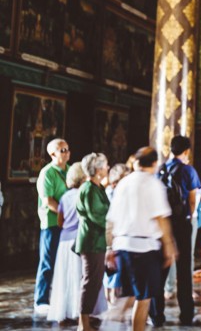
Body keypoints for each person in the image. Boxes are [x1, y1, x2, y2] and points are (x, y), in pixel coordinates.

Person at [106, 147, 176, 331]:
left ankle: (113, 318)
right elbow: (160, 218)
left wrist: (109, 248)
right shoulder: (153, 184)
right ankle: (117, 323)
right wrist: (168, 246)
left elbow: (111, 221)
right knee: (143, 298)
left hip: (123, 244)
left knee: (128, 294)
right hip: (144, 247)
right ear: (154, 163)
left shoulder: (123, 183)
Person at [152, 135, 201, 326]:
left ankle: (157, 314)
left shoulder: (161, 169)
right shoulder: (188, 170)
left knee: (161, 266)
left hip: (164, 222)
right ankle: (186, 314)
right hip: (182, 223)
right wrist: (188, 217)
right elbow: (192, 199)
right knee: (184, 269)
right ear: (187, 151)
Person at [46, 162, 86, 323]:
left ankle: (62, 312)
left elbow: (60, 221)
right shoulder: (84, 194)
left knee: (63, 277)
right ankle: (78, 312)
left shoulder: (64, 196)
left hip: (64, 240)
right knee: (78, 276)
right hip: (78, 239)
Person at [35, 138, 71, 314]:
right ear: (52, 154)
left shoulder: (71, 170)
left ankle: (62, 298)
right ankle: (41, 300)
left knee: (65, 261)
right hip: (51, 223)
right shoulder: (47, 173)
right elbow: (48, 200)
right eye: (62, 150)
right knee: (48, 261)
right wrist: (65, 213)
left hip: (69, 224)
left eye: (67, 149)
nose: (66, 153)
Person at [76, 153, 111, 331]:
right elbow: (99, 215)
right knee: (90, 281)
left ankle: (86, 320)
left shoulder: (97, 187)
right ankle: (83, 323)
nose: (108, 168)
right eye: (105, 166)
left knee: (95, 281)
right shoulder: (89, 189)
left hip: (97, 240)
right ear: (97, 169)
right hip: (91, 240)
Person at [103, 163, 131, 304]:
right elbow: (110, 221)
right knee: (112, 269)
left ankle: (114, 296)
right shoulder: (109, 194)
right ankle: (110, 298)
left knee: (117, 270)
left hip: (121, 236)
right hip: (111, 237)